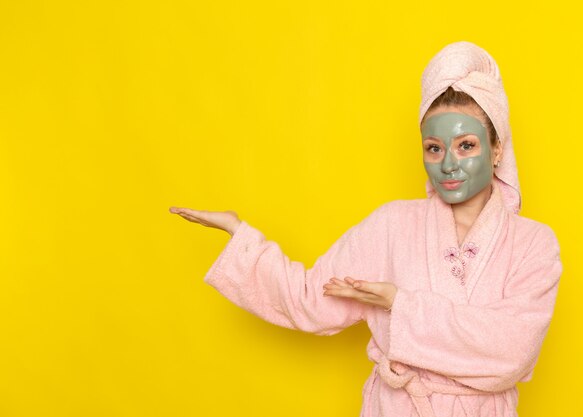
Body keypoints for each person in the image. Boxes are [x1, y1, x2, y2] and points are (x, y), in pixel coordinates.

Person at [169, 41, 562, 417]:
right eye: (433, 148)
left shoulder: (533, 244)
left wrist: (399, 304)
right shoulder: (391, 226)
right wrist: (242, 240)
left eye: (466, 146)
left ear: (497, 149)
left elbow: (513, 350)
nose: (448, 164)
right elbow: (311, 300)